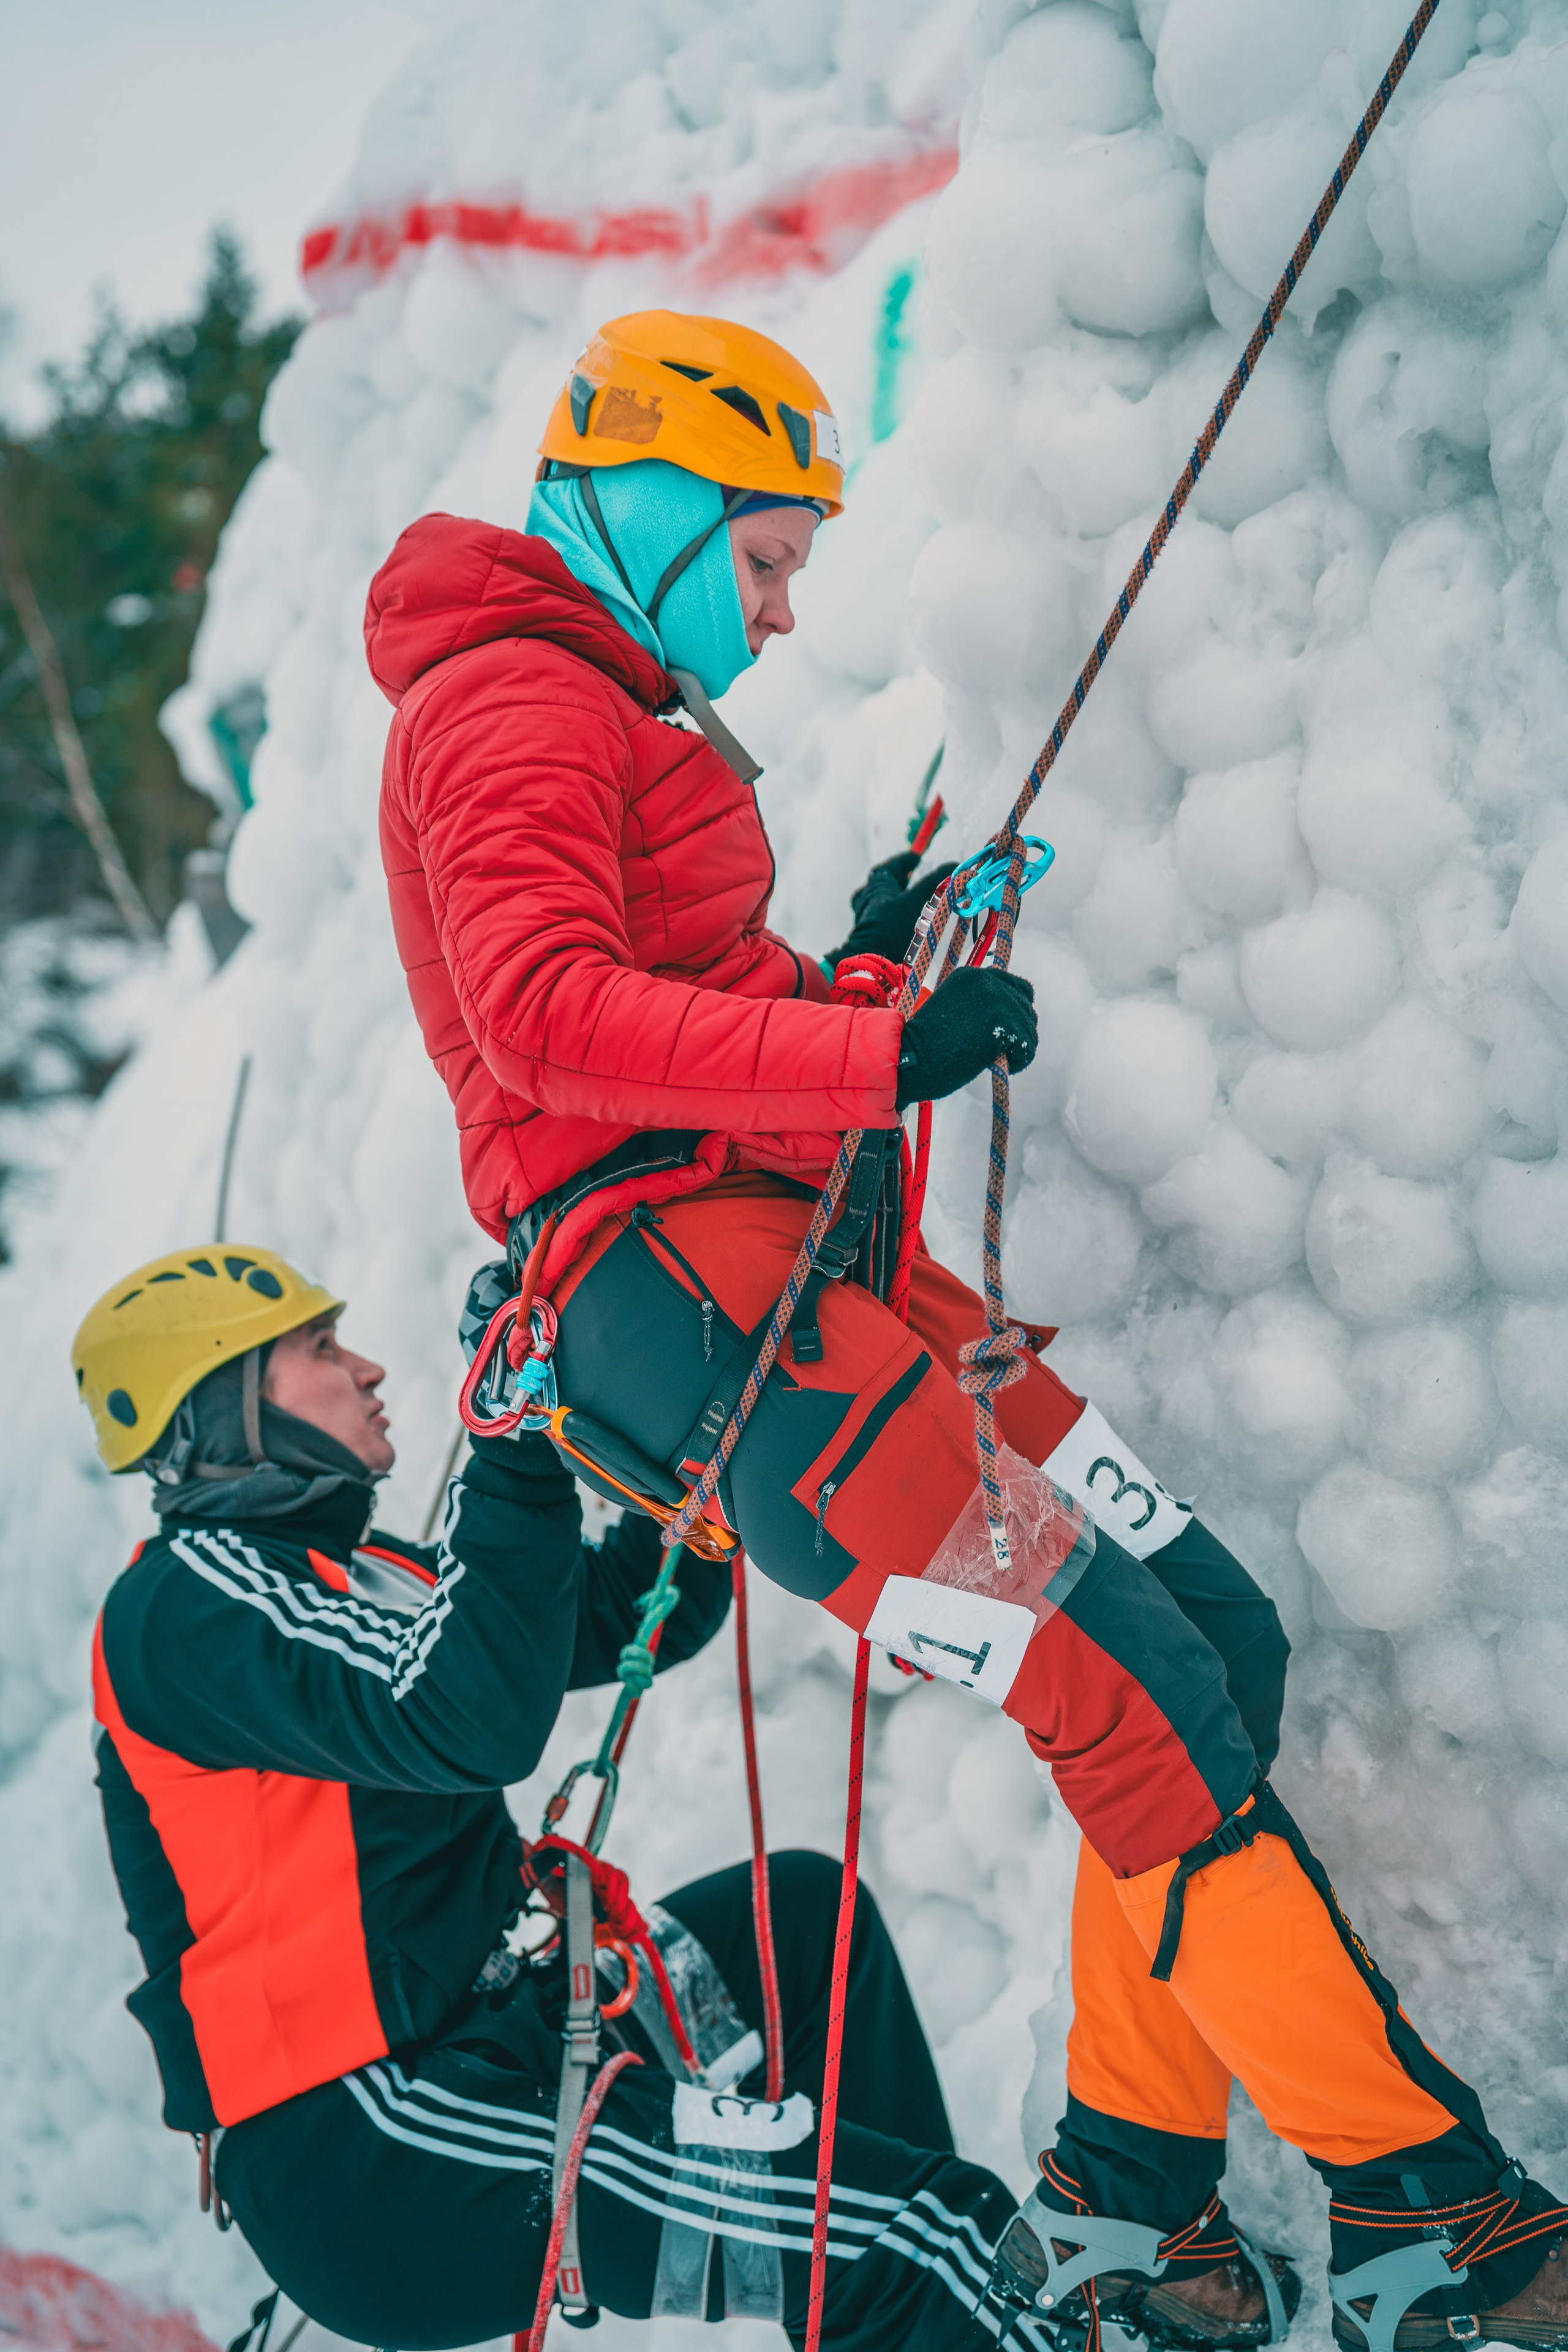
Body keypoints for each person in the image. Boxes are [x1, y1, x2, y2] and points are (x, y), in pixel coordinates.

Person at [366, 308, 1568, 2352]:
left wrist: (854, 978)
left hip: (823, 1278)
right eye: (761, 555)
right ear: (648, 504)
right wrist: (878, 1051)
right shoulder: (511, 705)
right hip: (705, 1313)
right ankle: (1433, 2218)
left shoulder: (609, 710)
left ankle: (1123, 2217)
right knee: (1130, 1701)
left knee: (1214, 1645)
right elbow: (542, 1021)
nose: (781, 600)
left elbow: (682, 1004)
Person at [75, 1241, 1099, 2350]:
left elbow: (608, 1612)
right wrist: (510, 1441)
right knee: (927, 2247)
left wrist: (697, 1454)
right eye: (320, 1349)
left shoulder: (354, 1573)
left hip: (490, 2048)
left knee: (804, 1930)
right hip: (376, 2146)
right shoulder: (188, 1609)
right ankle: (924, 2293)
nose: (366, 1368)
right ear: (227, 1411)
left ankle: (888, 2288)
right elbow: (468, 1718)